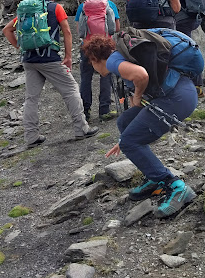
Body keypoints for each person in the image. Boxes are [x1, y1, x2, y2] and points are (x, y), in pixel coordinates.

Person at [80, 34, 198, 218]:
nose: (92, 67)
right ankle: (153, 177)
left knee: (130, 142)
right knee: (125, 122)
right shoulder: (122, 58)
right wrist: (126, 137)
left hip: (176, 99)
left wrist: (136, 98)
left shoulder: (113, 61)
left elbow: (141, 75)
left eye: (91, 63)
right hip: (181, 93)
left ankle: (176, 186)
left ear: (95, 59)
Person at [2, 0, 99, 147]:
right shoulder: (56, 8)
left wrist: (20, 46)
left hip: (29, 60)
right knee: (70, 89)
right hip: (49, 59)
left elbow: (7, 30)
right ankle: (81, 129)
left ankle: (31, 137)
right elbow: (67, 32)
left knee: (31, 98)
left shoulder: (29, 10)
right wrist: (68, 56)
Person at [74, 0, 121, 122]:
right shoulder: (109, 4)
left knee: (86, 78)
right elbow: (116, 28)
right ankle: (104, 110)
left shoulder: (82, 6)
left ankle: (86, 111)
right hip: (106, 46)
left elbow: (79, 30)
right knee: (106, 76)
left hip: (87, 46)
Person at [167, 0, 205, 97]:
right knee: (189, 46)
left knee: (184, 49)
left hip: (181, 21)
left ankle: (194, 84)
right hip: (193, 19)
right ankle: (196, 84)